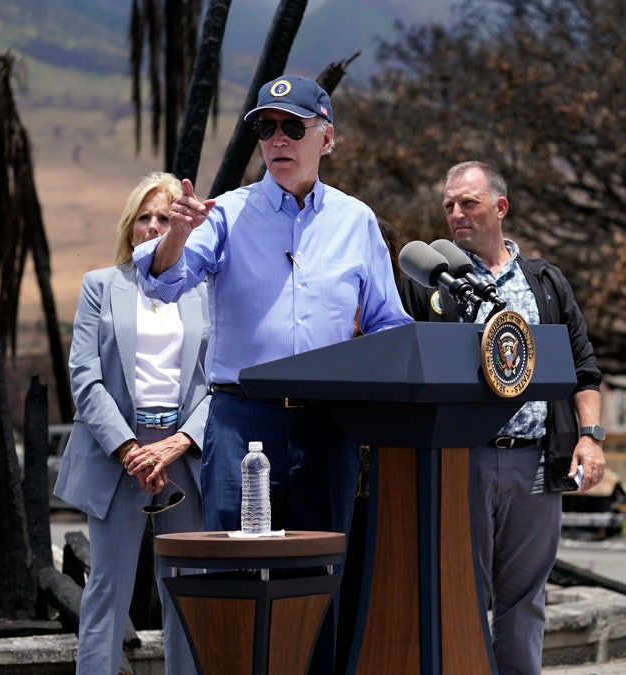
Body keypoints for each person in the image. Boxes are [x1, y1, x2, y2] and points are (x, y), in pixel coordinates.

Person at [132, 74, 411, 673]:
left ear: (326, 138)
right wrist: (175, 238)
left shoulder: (358, 222)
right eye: (266, 127)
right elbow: (161, 281)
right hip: (241, 424)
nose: (277, 139)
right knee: (233, 575)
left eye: (293, 126)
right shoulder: (225, 214)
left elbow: (389, 323)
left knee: (319, 578)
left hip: (330, 424)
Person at [397, 160, 607, 674]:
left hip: (535, 463)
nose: (456, 213)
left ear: (500, 208)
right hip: (460, 461)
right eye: (449, 205)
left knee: (524, 600)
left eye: (468, 203)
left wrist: (591, 437)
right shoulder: (431, 282)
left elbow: (584, 369)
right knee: (460, 592)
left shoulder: (544, 282)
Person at [54, 172, 209, 675]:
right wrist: (128, 448)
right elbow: (84, 377)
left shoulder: (205, 288)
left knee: (186, 590)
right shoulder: (100, 285)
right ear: (129, 226)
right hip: (117, 452)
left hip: (183, 456)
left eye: (164, 217)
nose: (152, 226)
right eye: (143, 217)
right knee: (107, 589)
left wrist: (178, 442)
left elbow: (219, 383)